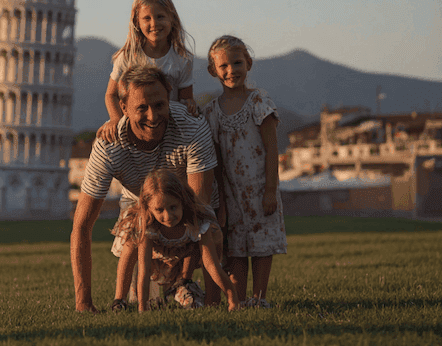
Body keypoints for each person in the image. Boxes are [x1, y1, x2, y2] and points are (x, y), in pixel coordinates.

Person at [70, 65, 218, 313]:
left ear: (169, 97)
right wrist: (83, 302)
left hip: (185, 206)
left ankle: (196, 290)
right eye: (142, 108)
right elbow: (82, 225)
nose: (152, 115)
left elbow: (200, 208)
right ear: (123, 108)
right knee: (144, 292)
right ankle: (131, 296)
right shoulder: (108, 146)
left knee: (210, 226)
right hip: (139, 208)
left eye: (159, 105)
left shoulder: (192, 127)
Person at [202, 35, 287, 309]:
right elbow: (214, 160)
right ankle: (237, 300)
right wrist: (221, 203)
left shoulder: (259, 101)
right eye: (223, 66)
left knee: (262, 247)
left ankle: (259, 298)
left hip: (261, 190)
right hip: (231, 195)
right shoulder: (212, 112)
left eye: (237, 62)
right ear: (213, 70)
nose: (231, 71)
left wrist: (271, 190)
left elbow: (272, 149)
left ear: (248, 63)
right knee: (235, 248)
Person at [112, 169, 241, 312]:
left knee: (214, 241)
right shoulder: (146, 224)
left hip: (182, 252)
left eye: (173, 207)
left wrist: (232, 297)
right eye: (159, 210)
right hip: (156, 253)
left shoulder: (196, 221)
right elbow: (144, 269)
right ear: (149, 208)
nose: (167, 216)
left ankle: (192, 289)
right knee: (130, 245)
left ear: (183, 200)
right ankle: (119, 300)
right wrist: (143, 306)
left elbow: (212, 266)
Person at [97, 0, 198, 144]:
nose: (154, 23)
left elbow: (185, 99)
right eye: (147, 18)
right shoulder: (127, 57)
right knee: (105, 141)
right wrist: (115, 120)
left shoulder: (182, 59)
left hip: (168, 129)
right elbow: (111, 95)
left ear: (172, 18)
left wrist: (190, 104)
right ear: (137, 21)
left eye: (160, 17)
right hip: (135, 127)